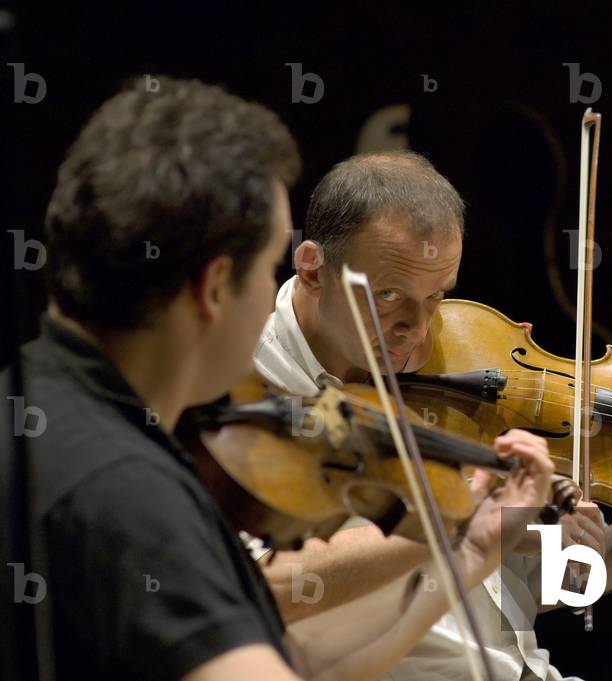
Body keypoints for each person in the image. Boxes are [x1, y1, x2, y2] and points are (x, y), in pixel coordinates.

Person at [0, 76, 556, 681]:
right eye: (270, 269)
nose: (278, 294)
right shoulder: (129, 490)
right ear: (215, 288)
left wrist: (468, 550)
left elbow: (308, 666)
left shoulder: (36, 402)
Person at [253, 150, 612, 680]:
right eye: (388, 296)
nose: (420, 331)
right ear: (312, 268)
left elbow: (561, 583)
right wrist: (461, 524)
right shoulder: (248, 390)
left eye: (436, 297)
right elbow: (263, 585)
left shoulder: (448, 378)